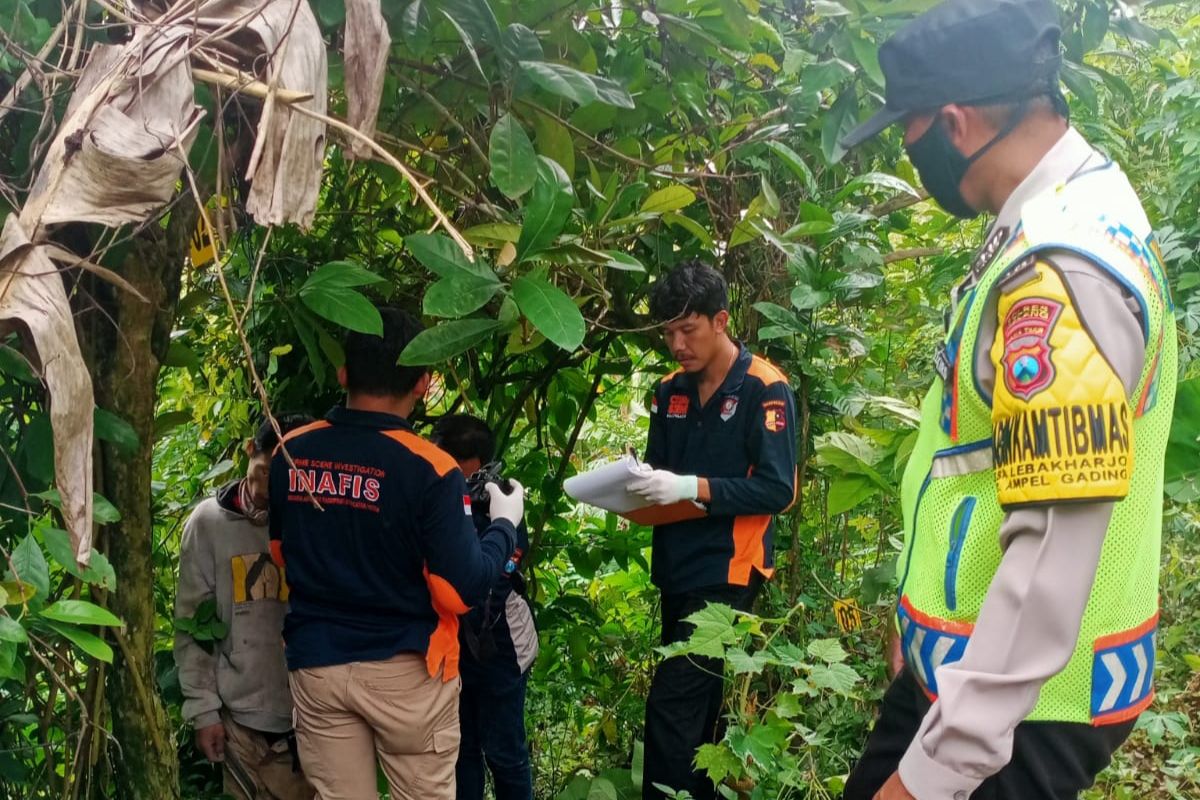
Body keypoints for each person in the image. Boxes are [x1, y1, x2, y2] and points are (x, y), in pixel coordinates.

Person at [837, 1, 1177, 798]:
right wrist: (920, 626)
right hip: (975, 673)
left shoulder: (1058, 271)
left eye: (909, 133)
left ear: (954, 124)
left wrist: (940, 768)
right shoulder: (1075, 203)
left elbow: (1054, 543)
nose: (910, 155)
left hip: (1021, 711)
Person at [268, 307, 525, 800]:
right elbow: (459, 591)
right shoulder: (431, 468)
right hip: (407, 672)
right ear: (423, 383)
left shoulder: (291, 452)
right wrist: (504, 527)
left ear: (343, 373)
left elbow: (281, 553)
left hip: (318, 665)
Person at [632, 260, 798, 800]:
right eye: (668, 333)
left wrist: (694, 487)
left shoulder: (764, 388)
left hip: (730, 568)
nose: (677, 345)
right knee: (698, 712)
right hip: (676, 566)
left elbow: (779, 490)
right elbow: (657, 474)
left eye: (688, 330)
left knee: (671, 705)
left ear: (720, 320)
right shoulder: (667, 392)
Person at [174, 414, 317, 800]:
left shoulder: (314, 520)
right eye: (265, 471)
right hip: (239, 721)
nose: (268, 488)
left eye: (283, 478)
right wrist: (203, 711)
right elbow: (192, 622)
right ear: (250, 450)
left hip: (306, 721)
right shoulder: (208, 523)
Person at [430, 414, 538, 800]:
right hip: (454, 646)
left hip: (502, 646)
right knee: (461, 751)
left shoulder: (503, 499)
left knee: (504, 752)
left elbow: (493, 574)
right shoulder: (436, 495)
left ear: (473, 463)